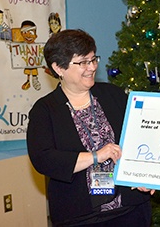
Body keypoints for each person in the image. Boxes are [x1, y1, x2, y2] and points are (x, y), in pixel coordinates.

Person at [27, 29, 153, 226]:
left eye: (93, 59)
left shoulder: (113, 95)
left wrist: (145, 175)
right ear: (58, 68)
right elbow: (44, 159)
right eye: (83, 62)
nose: (92, 67)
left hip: (130, 209)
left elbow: (140, 138)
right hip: (80, 217)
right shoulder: (45, 110)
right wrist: (95, 156)